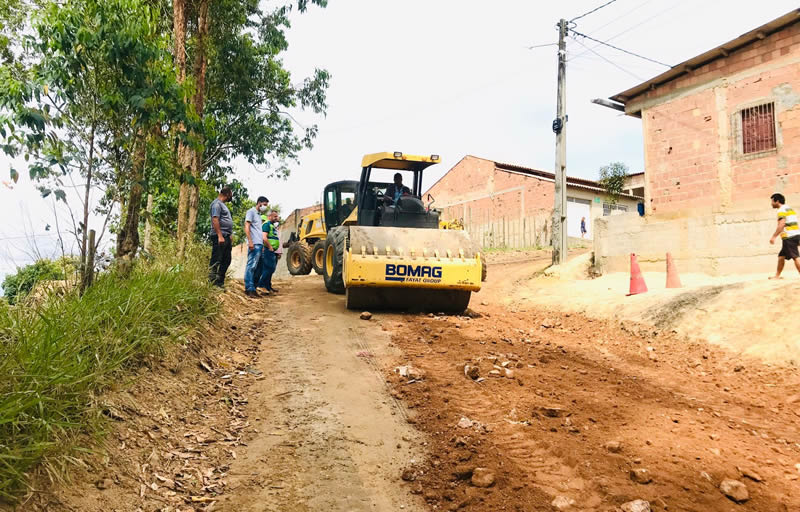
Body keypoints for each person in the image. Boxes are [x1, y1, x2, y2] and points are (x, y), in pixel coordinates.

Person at [769, 192, 800, 279]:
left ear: (777, 201)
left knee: (795, 257)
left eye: (772, 201)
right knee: (781, 256)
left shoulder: (781, 210)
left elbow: (781, 224)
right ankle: (777, 276)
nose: (771, 203)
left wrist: (774, 236)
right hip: (796, 234)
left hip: (789, 236)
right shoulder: (788, 208)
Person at [244, 196, 269, 297]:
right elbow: (247, 226)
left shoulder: (259, 215)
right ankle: (249, 288)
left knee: (259, 267)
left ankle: (253, 287)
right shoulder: (251, 212)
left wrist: (262, 245)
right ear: (259, 203)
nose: (265, 207)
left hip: (259, 244)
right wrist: (250, 241)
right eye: (265, 205)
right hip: (254, 243)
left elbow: (258, 231)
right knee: (252, 266)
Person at [208, 186, 234, 287]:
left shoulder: (222, 205)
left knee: (226, 260)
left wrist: (229, 234)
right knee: (216, 259)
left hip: (225, 236)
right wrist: (219, 235)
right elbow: (215, 219)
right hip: (220, 236)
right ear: (227, 194)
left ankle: (219, 282)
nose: (231, 197)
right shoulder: (216, 204)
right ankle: (212, 283)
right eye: (230, 195)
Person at [258, 210, 280, 294]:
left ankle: (268, 286)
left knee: (271, 268)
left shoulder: (272, 226)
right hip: (268, 250)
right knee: (269, 268)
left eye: (276, 216)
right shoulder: (266, 225)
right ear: (269, 217)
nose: (276, 218)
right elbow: (264, 237)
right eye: (274, 216)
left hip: (272, 250)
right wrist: (270, 247)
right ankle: (261, 285)